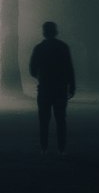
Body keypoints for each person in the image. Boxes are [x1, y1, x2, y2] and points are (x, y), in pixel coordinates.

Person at [29, 20, 75, 155]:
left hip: (44, 88)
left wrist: (41, 77)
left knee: (44, 120)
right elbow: (69, 68)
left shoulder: (39, 48)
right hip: (60, 88)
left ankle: (44, 148)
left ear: (44, 32)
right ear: (55, 31)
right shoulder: (63, 47)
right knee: (61, 119)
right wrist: (71, 86)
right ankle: (61, 148)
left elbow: (32, 70)